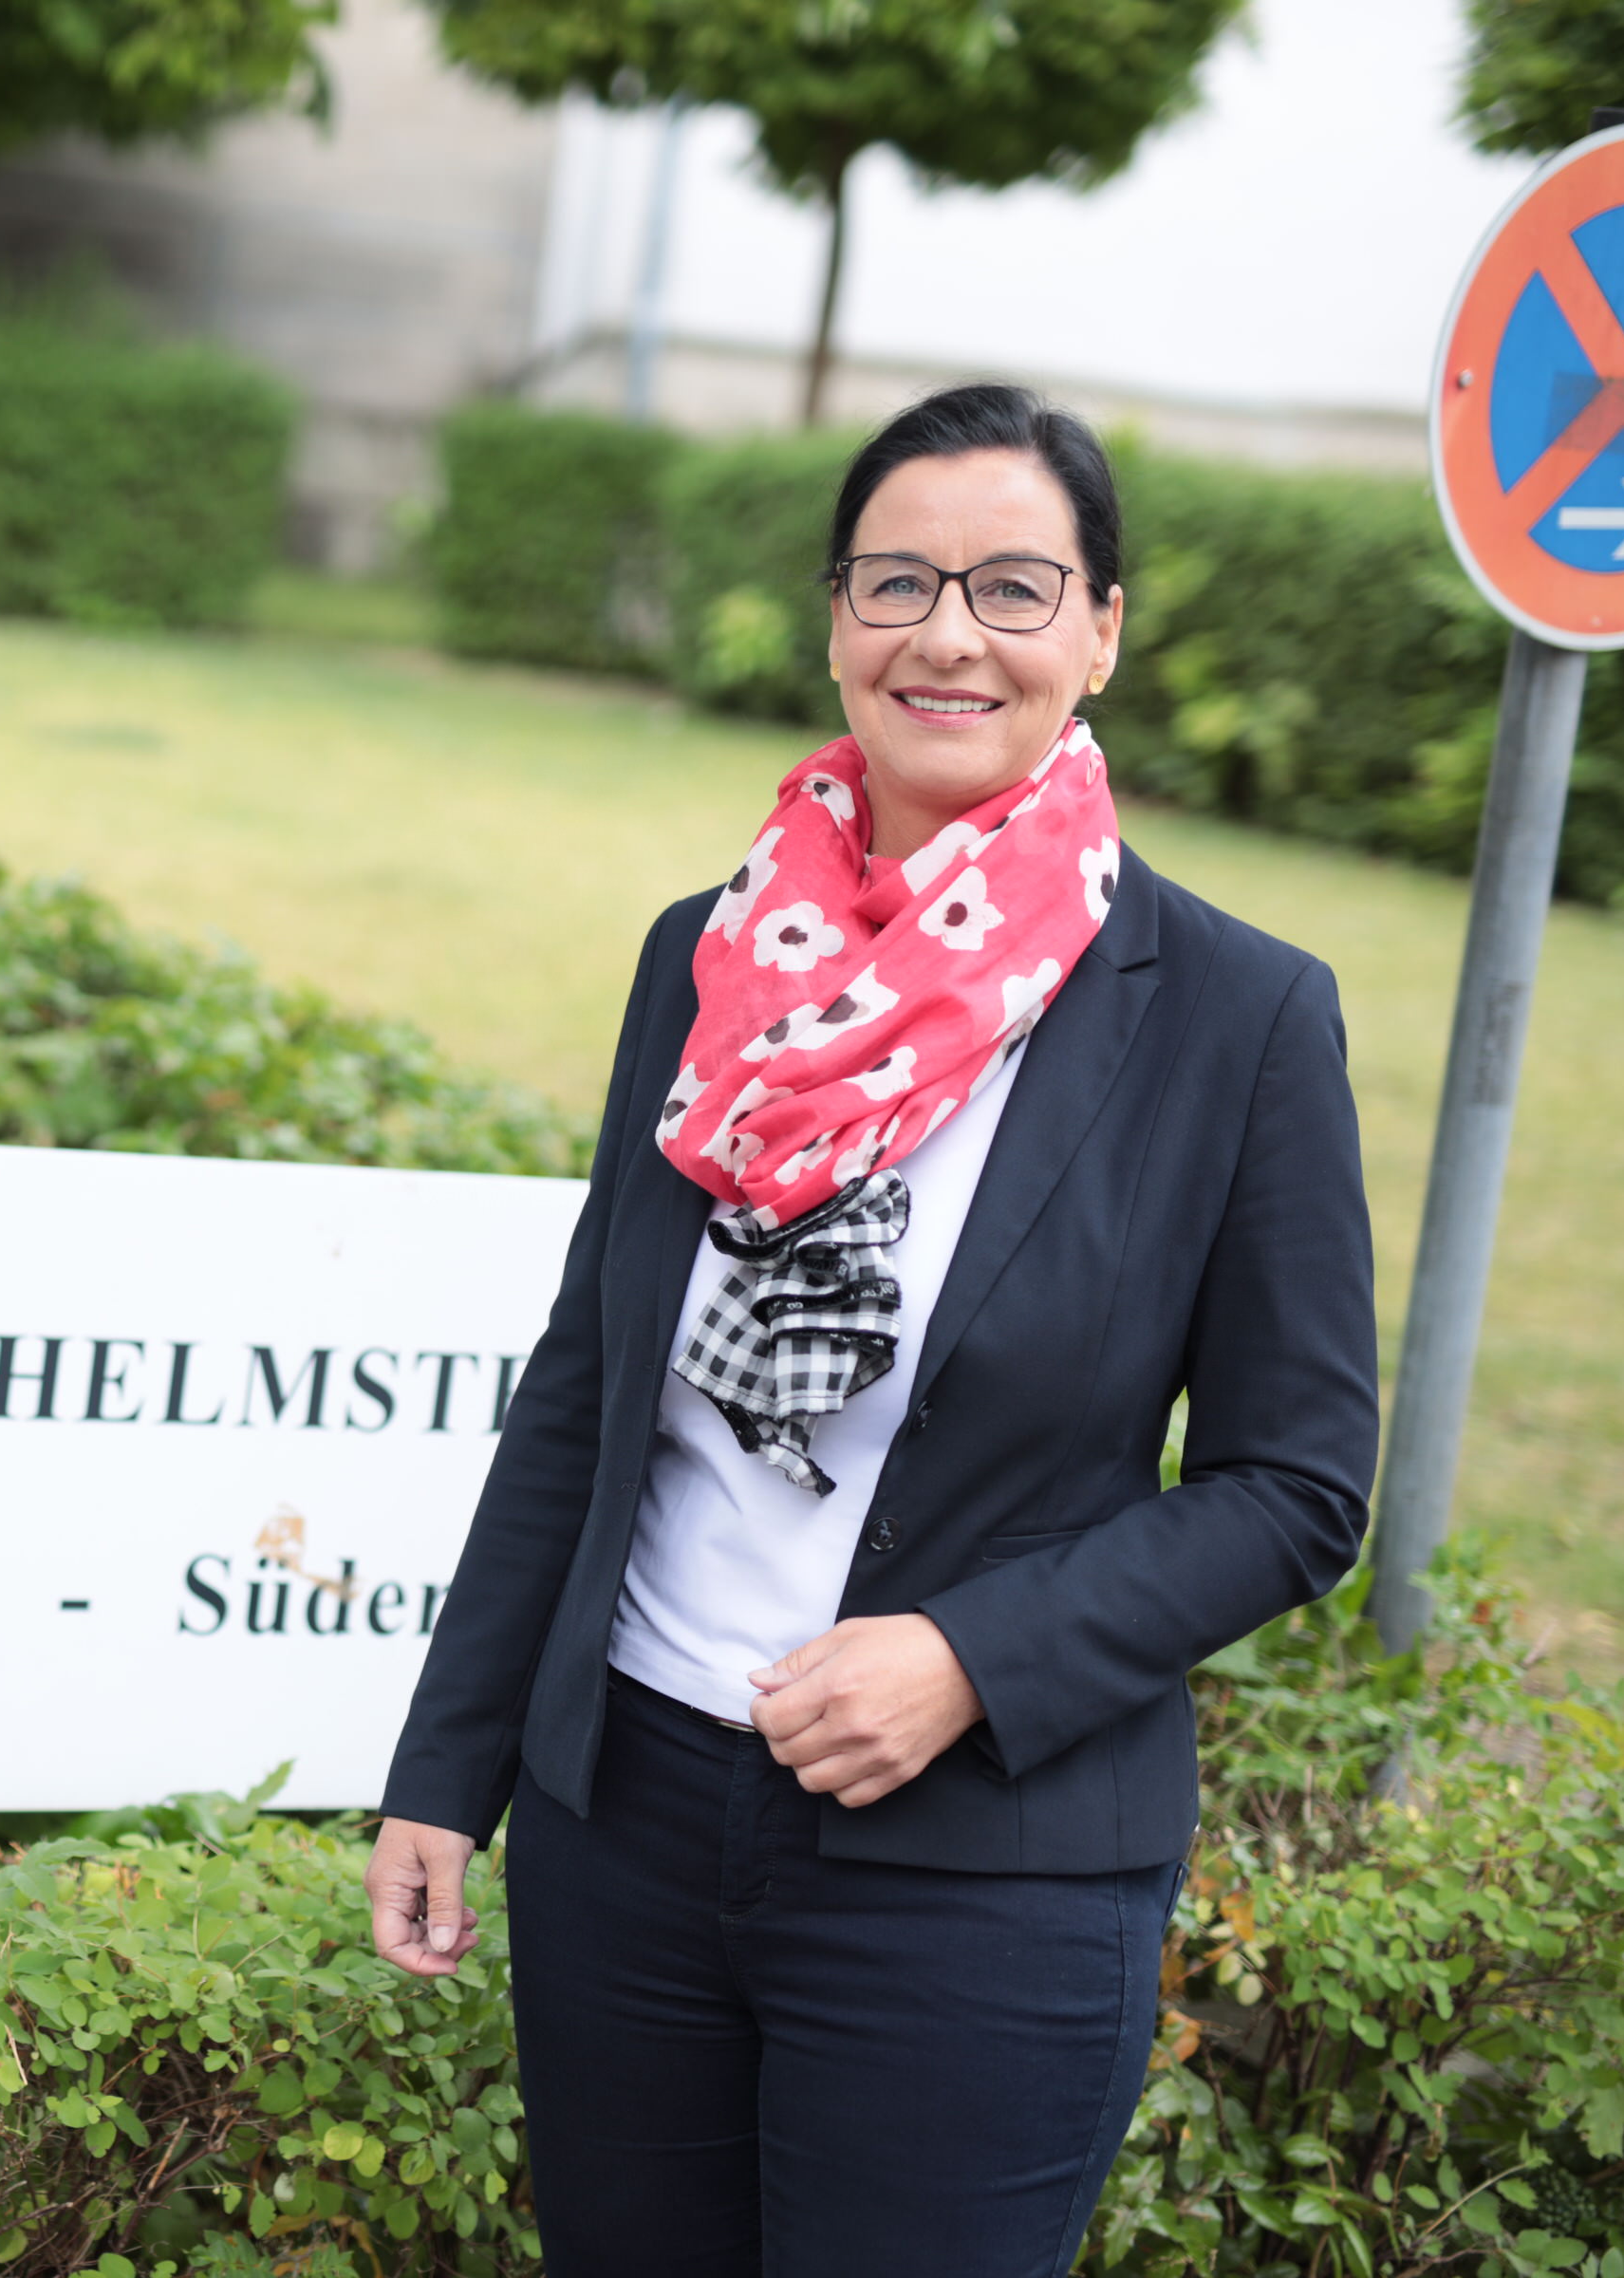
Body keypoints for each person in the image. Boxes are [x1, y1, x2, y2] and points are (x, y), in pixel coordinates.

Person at [364, 383, 1380, 2277]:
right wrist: (450, 1767)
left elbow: (1297, 1486)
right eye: (898, 581)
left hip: (977, 1876)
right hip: (629, 1826)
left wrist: (973, 1658)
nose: (947, 634)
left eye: (1014, 587)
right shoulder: (710, 953)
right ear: (837, 619)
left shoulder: (1233, 1018)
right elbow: (590, 1383)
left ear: (1100, 633)